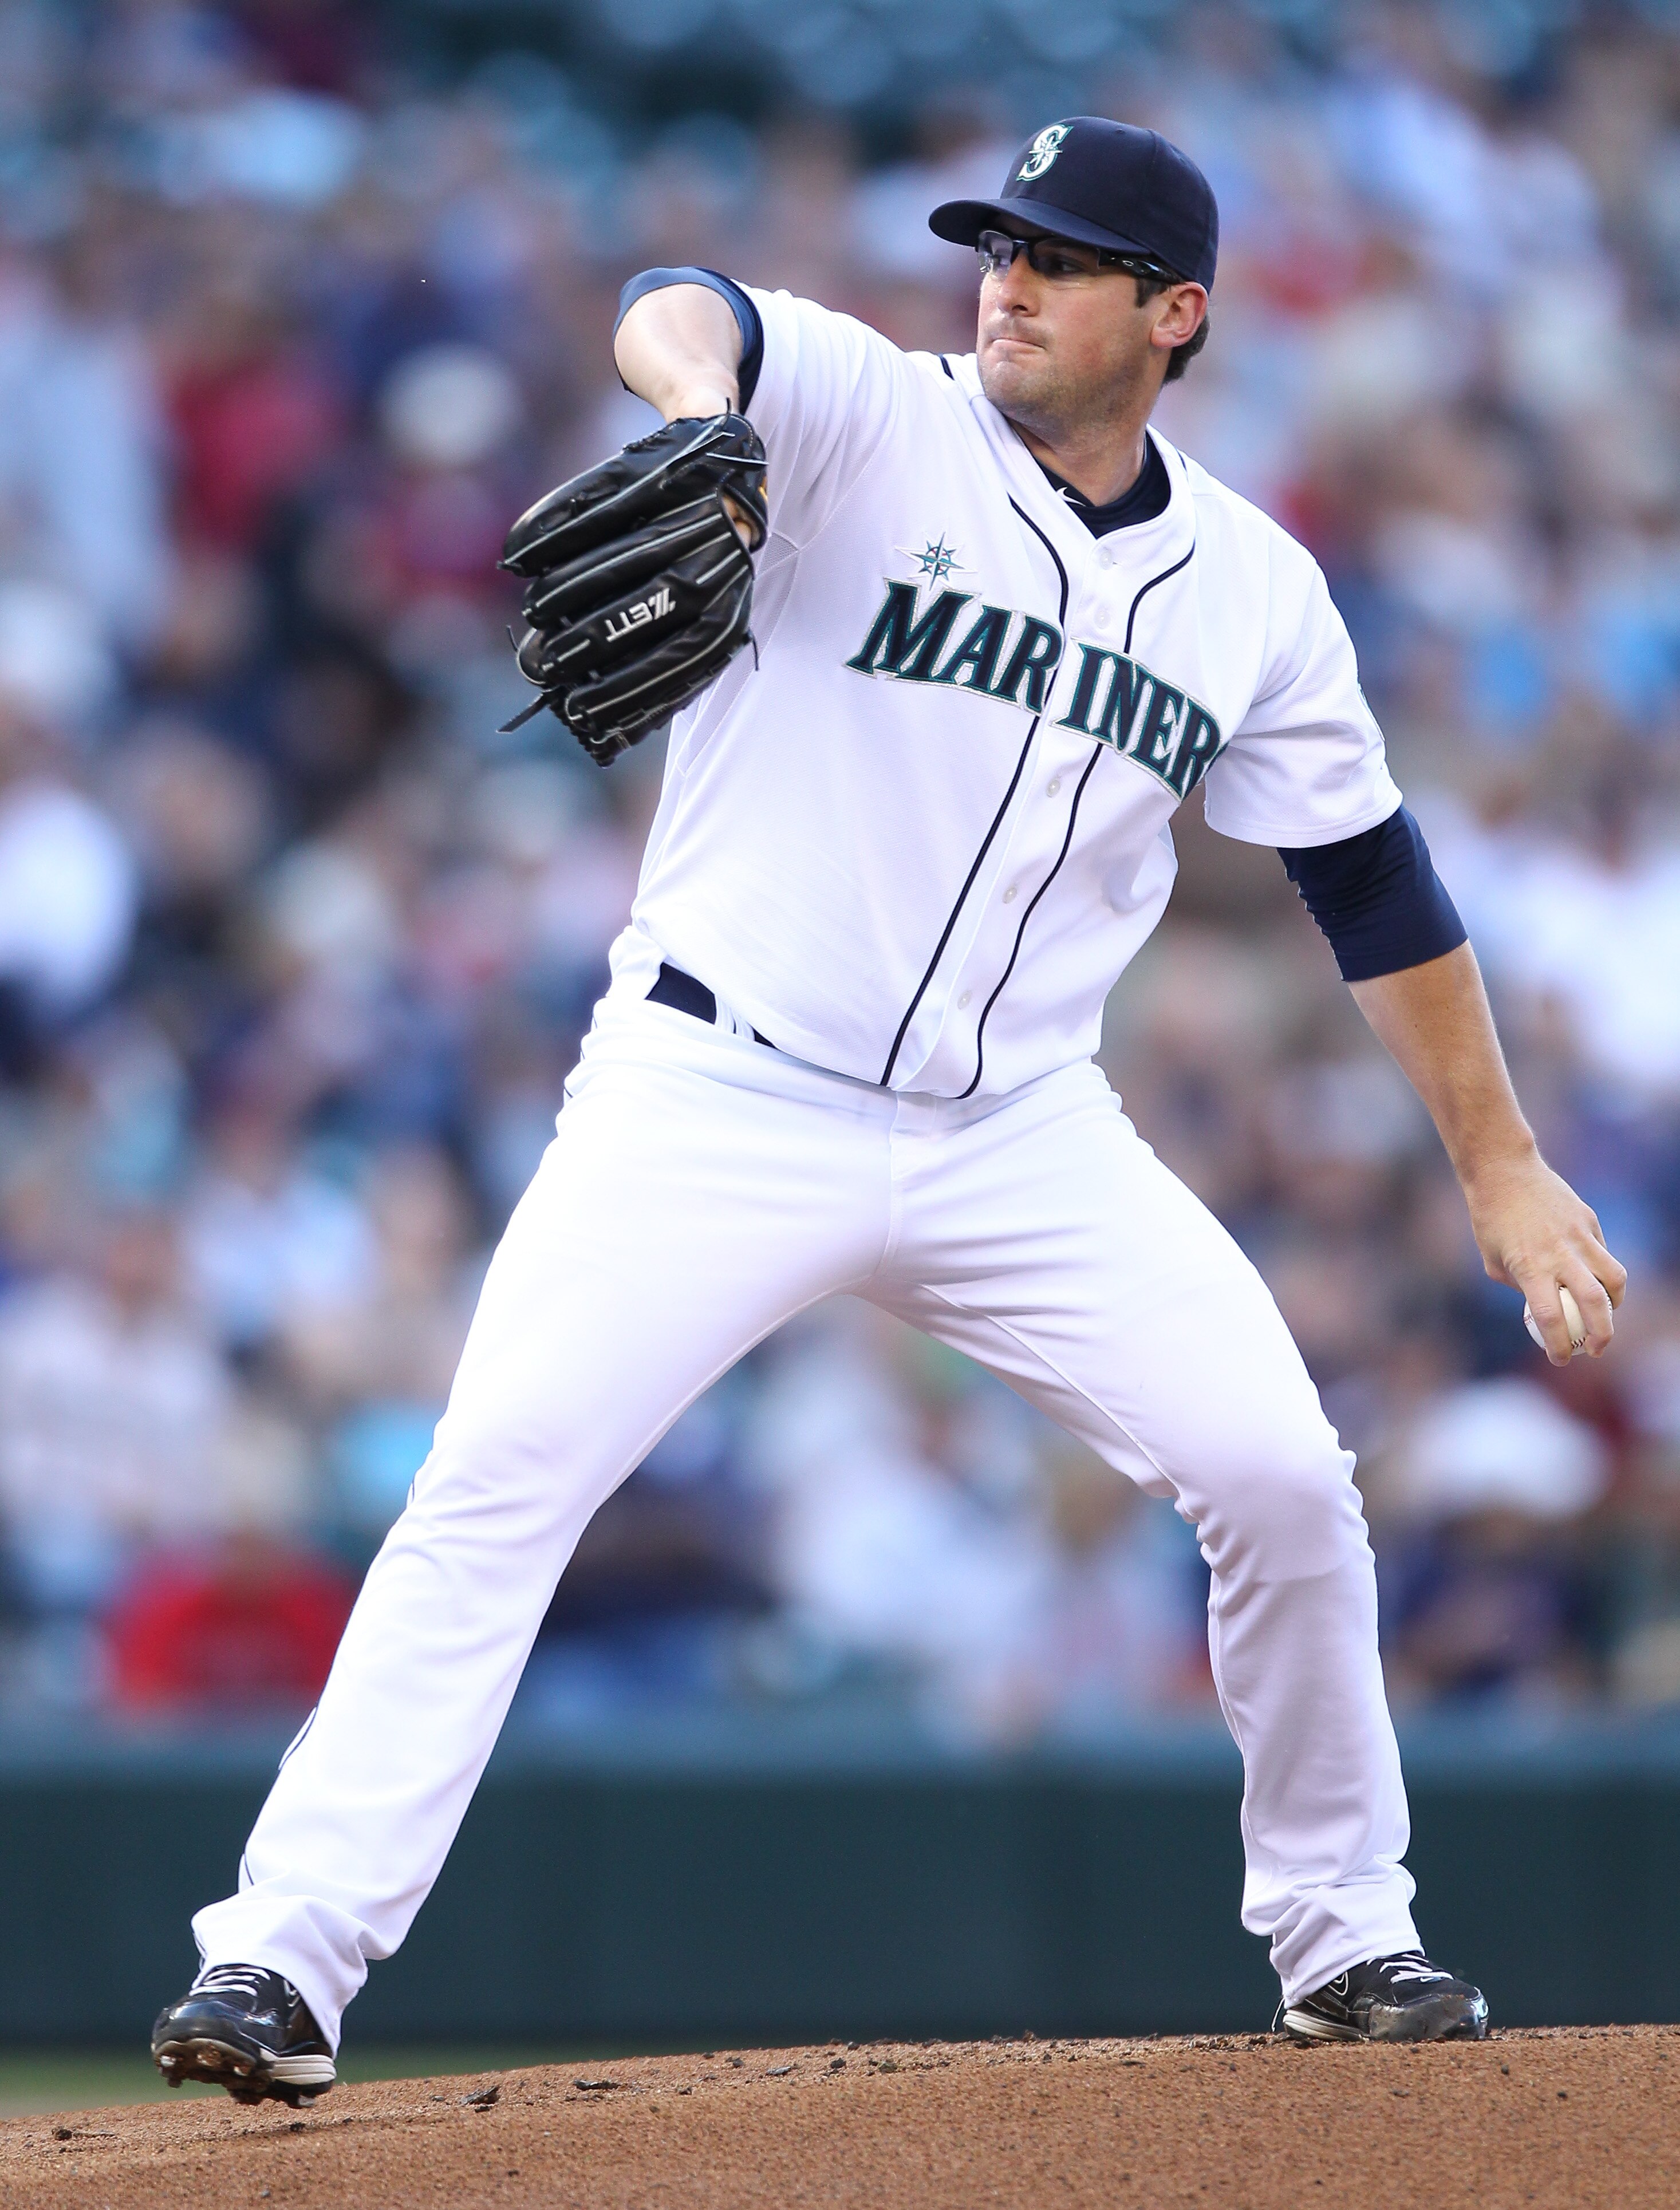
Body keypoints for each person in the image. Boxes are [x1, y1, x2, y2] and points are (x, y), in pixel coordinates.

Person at [152, 117, 1626, 2104]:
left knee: (1285, 1479)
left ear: (1176, 314)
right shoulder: (868, 412)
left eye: (1061, 258)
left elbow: (1372, 884)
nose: (1008, 280)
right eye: (998, 245)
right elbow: (681, 308)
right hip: (718, 1079)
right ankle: (280, 1956)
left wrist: (1501, 1161)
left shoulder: (1257, 589)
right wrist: (702, 415)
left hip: (1021, 1129)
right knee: (498, 1476)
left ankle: (1348, 1932)